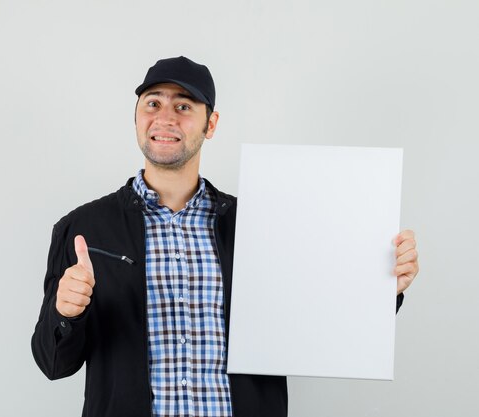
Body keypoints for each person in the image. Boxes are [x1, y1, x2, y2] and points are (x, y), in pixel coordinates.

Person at [31, 56, 419, 417]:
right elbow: (53, 363)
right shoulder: (83, 229)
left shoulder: (260, 223)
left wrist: (381, 288)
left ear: (210, 124)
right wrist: (65, 313)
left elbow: (317, 319)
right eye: (153, 104)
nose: (165, 117)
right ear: (135, 118)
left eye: (184, 106)